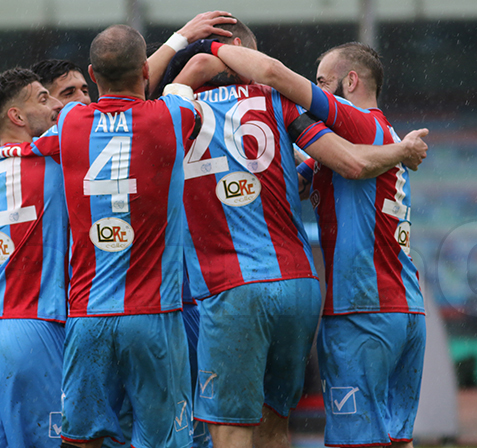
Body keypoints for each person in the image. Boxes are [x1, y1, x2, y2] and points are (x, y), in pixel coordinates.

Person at [168, 20, 428, 448]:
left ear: (350, 81)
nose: (314, 90)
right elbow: (307, 173)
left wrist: (198, 51)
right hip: (382, 302)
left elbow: (350, 159)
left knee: (234, 429)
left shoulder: (176, 112)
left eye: (322, 82)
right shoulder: (364, 135)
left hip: (353, 307)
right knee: (379, 437)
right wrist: (402, 149)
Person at [32, 25, 202, 448]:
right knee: (163, 440)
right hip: (154, 316)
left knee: (81, 440)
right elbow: (185, 87)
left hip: (88, 316)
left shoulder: (70, 121)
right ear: (145, 70)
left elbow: (41, 145)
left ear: (92, 75)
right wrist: (182, 40)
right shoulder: (173, 116)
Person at [0, 67, 66, 448]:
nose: (56, 105)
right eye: (43, 98)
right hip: (32, 328)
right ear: (16, 116)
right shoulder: (53, 155)